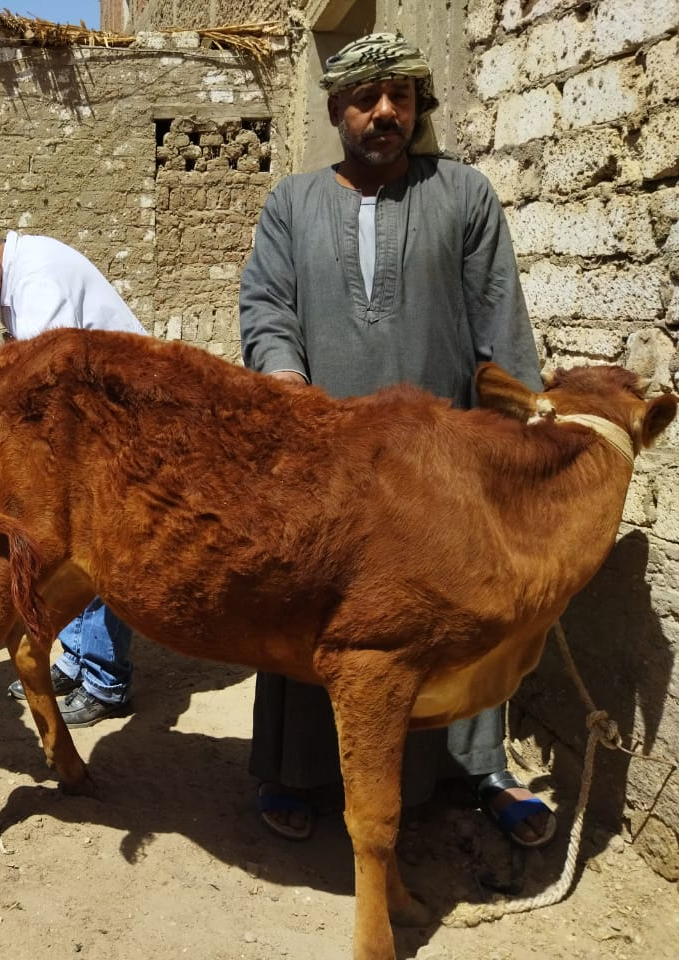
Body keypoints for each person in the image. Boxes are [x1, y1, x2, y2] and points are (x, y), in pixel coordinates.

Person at [239, 32, 556, 849]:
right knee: (314, 610)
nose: (386, 112)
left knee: (454, 612)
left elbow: (500, 322)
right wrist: (285, 386)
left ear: (418, 107)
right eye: (367, 98)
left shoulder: (464, 195)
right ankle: (294, 768)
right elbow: (267, 307)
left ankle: (474, 770)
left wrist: (509, 441)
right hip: (327, 461)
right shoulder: (292, 203)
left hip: (437, 465)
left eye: (402, 98)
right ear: (337, 107)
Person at [0, 207, 145, 727]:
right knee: (59, 544)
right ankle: (77, 659)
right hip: (88, 429)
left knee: (90, 549)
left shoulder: (40, 277)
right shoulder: (19, 285)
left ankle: (107, 680)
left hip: (118, 429)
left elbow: (43, 385)